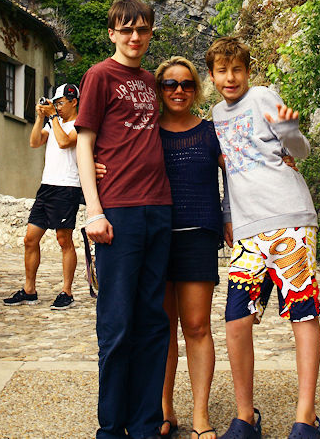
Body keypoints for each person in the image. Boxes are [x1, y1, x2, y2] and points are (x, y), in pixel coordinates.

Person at [98, 55, 226, 439]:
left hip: (198, 234)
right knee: (161, 328)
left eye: (186, 84)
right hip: (154, 234)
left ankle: (200, 414)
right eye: (170, 84)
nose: (179, 91)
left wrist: (284, 154)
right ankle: (162, 409)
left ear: (195, 89)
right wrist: (92, 158)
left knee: (198, 326)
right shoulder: (145, 129)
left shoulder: (210, 131)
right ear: (158, 90)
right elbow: (106, 143)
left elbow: (239, 171)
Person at [206, 36, 320, 439]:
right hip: (247, 230)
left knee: (302, 312)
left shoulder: (262, 96)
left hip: (289, 218)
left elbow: (300, 151)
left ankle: (305, 418)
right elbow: (228, 172)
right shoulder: (216, 116)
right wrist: (226, 216)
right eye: (222, 70)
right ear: (212, 76)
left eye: (237, 69)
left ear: (247, 71)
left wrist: (290, 130)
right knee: (237, 320)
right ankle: (245, 416)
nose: (230, 77)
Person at [76, 0, 172, 439]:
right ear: (112, 33)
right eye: (127, 29)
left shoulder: (152, 81)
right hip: (118, 210)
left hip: (160, 208)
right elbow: (83, 142)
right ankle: (112, 428)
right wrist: (93, 209)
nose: (136, 37)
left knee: (153, 322)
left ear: (150, 34)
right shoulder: (99, 75)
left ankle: (147, 423)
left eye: (143, 30)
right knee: (116, 324)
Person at [3, 84, 80, 310]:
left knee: (64, 240)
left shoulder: (81, 123)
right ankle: (29, 290)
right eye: (55, 104)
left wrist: (53, 117)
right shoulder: (52, 122)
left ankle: (67, 291)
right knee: (30, 239)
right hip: (47, 186)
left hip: (67, 186)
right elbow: (35, 142)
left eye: (60, 103)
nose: (57, 107)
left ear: (73, 101)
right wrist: (40, 118)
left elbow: (66, 142)